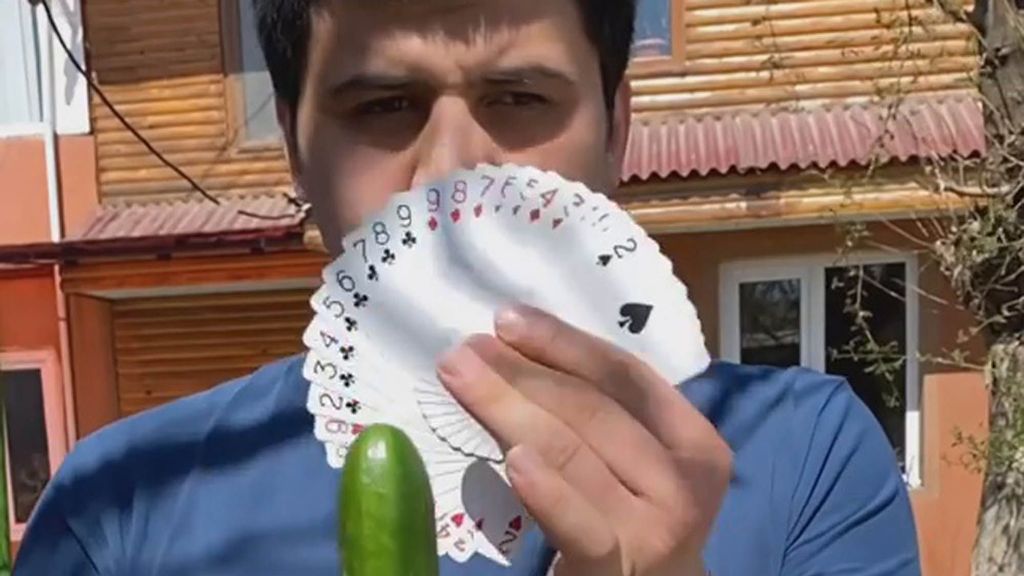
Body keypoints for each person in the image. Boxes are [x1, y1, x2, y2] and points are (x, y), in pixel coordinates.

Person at [13, 1, 922, 574]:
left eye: (519, 98)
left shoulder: (808, 456)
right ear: (294, 145)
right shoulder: (119, 506)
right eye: (385, 107)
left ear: (616, 128)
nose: (451, 171)